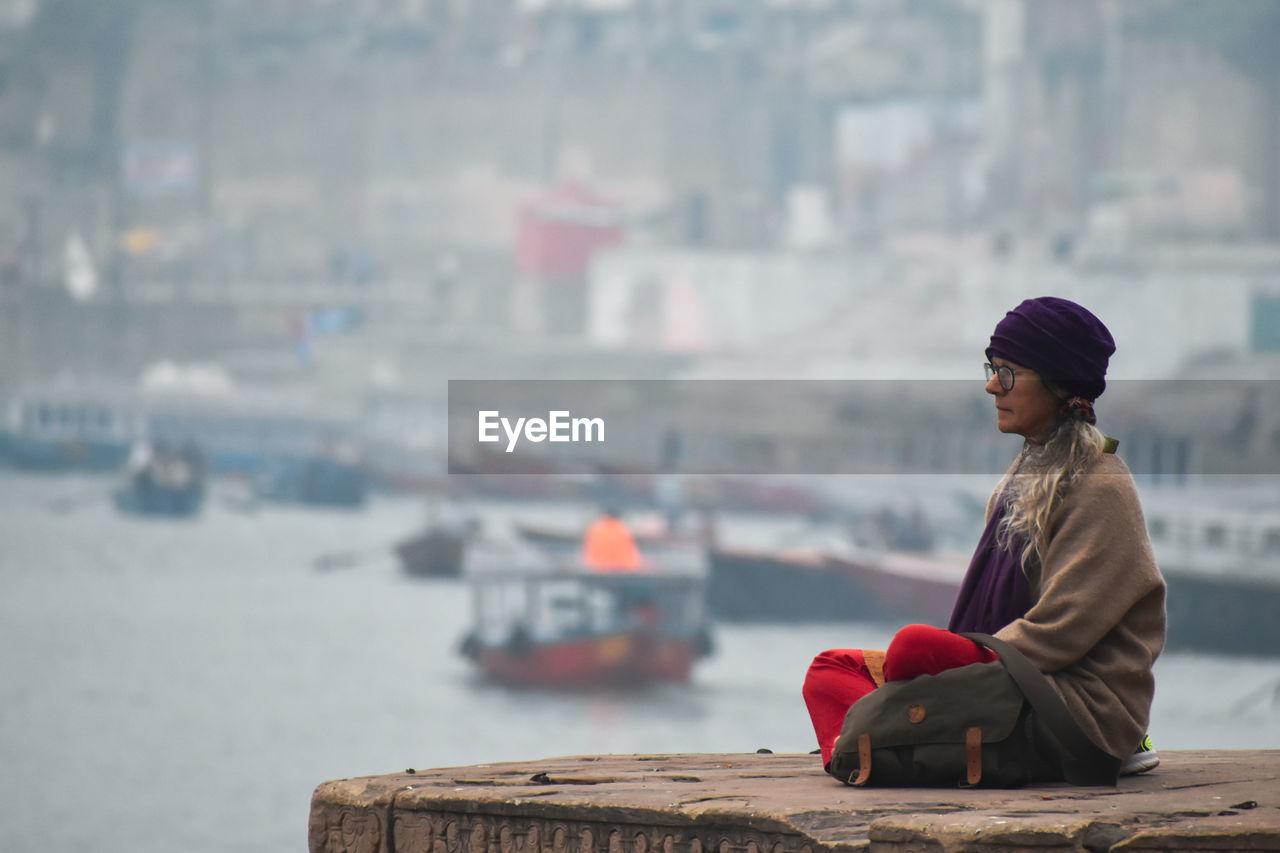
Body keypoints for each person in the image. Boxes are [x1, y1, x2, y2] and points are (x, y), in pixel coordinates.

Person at [802, 296, 1167, 780]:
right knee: (828, 670)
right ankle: (867, 742)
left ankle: (863, 744)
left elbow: (1060, 634)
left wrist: (953, 664)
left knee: (913, 648)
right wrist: (955, 663)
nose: (993, 386)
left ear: (1058, 385)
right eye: (992, 369)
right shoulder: (1021, 477)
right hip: (1009, 674)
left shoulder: (1101, 486)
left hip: (1071, 700)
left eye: (1009, 372)